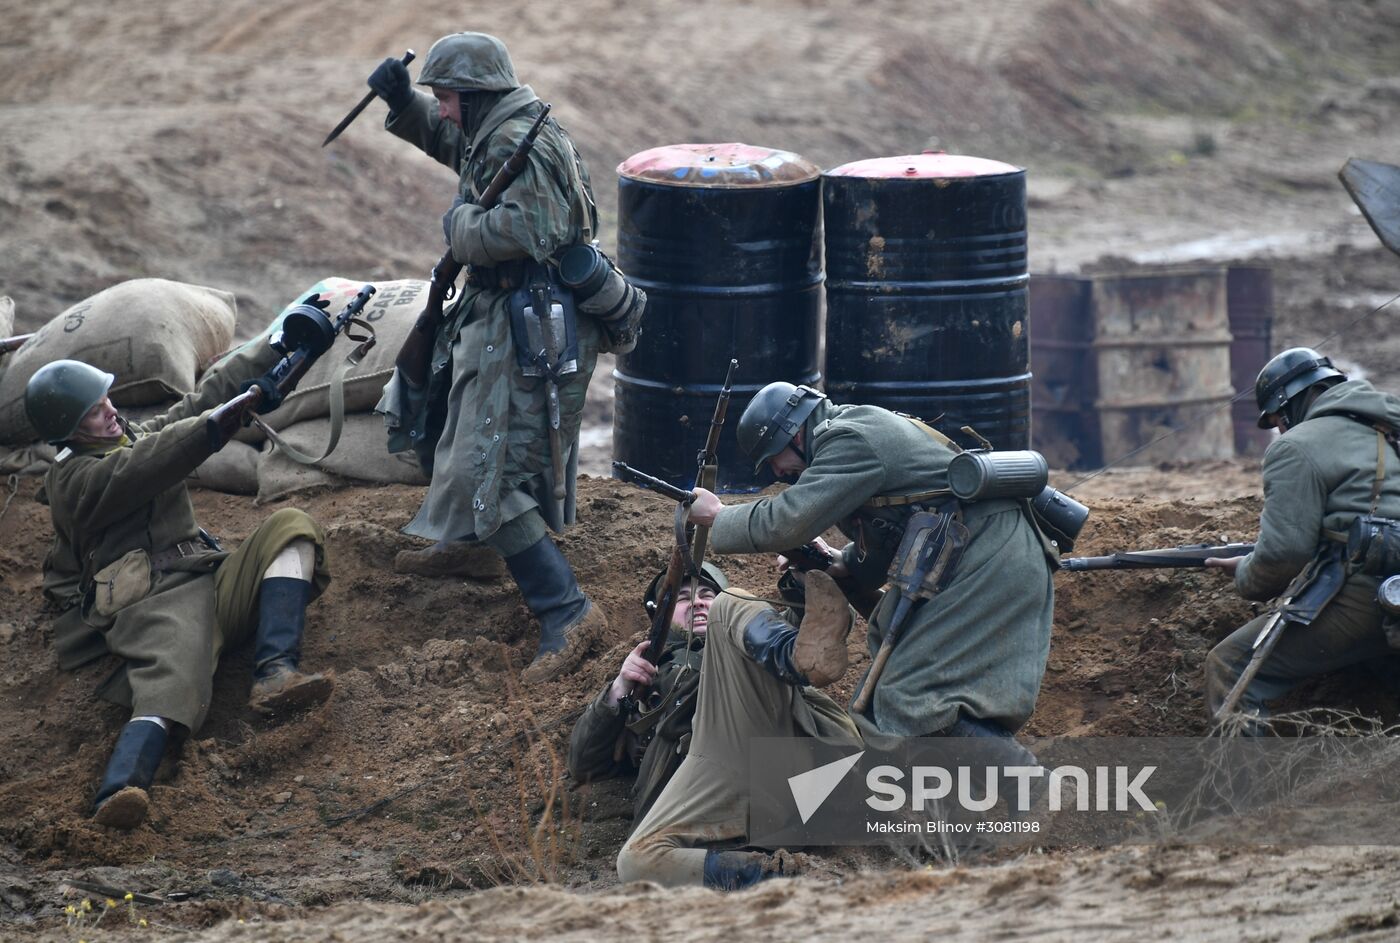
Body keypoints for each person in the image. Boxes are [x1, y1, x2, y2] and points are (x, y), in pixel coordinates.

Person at [367, 32, 606, 683]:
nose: (442, 111)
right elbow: (456, 146)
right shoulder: (498, 130)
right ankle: (469, 545)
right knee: (445, 422)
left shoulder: (517, 140)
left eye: (444, 98)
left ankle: (567, 609)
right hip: (500, 315)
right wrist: (403, 103)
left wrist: (458, 229)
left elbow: (529, 229)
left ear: (474, 96)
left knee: (489, 472)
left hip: (531, 327)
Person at [26, 353, 335, 830]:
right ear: (68, 430)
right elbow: (152, 460)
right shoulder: (74, 480)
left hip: (209, 576)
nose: (109, 410)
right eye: (93, 410)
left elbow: (198, 401)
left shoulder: (126, 436)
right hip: (155, 602)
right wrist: (216, 424)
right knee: (172, 678)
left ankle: (276, 671)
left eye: (106, 399)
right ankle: (118, 792)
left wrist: (276, 347)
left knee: (291, 527)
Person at [688, 382, 1057, 748]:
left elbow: (787, 522)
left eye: (772, 458)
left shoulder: (849, 439)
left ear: (794, 435)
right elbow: (887, 532)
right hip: (960, 553)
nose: (776, 472)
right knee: (887, 697)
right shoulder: (849, 439)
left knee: (910, 697)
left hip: (987, 556)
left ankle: (1038, 792)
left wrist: (719, 517)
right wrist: (843, 562)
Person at [568, 561, 861, 889]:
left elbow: (815, 628)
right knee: (636, 861)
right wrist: (619, 689)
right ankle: (767, 877)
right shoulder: (647, 683)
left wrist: (799, 580)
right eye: (682, 599)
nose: (697, 601)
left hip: (791, 767)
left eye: (707, 593)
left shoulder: (748, 636)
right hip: (717, 811)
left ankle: (790, 655)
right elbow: (584, 765)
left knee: (735, 606)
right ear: (658, 618)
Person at [1204, 348, 1400, 725]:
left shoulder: (1296, 447)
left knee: (1229, 666)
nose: (1280, 430)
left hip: (1373, 591)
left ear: (1291, 404)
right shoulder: (1389, 424)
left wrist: (1246, 573)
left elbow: (1283, 556)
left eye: (1279, 421)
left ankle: (1242, 786)